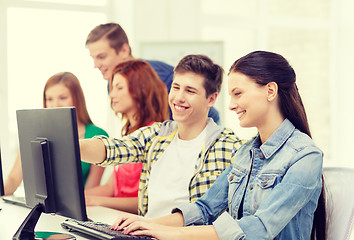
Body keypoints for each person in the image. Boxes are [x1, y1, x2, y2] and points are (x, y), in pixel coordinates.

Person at [111, 51, 327, 240]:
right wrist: (149, 224)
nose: (231, 105)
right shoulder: (246, 153)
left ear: (270, 91)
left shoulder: (306, 156)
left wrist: (167, 233)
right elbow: (204, 209)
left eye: (238, 94)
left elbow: (260, 228)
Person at [79, 54, 244, 218]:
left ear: (211, 99)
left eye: (190, 91)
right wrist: (70, 145)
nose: (179, 97)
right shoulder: (156, 136)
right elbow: (112, 149)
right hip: (145, 232)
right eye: (176, 87)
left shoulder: (229, 147)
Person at [85, 22, 220, 124]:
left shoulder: (158, 76)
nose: (96, 65)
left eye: (101, 57)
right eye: (93, 58)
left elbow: (210, 115)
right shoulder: (111, 83)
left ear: (124, 50)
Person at [85, 60, 169, 214]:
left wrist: (96, 201)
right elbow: (111, 188)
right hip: (117, 219)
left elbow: (149, 201)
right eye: (112, 88)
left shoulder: (156, 136)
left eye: (119, 88)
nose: (112, 94)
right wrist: (78, 197)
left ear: (140, 90)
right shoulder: (128, 135)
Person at [4, 72, 109, 196]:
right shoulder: (34, 134)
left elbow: (90, 191)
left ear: (77, 99)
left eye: (63, 98)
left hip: (80, 210)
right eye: (49, 99)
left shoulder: (97, 135)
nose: (55, 105)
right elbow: (13, 180)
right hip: (40, 208)